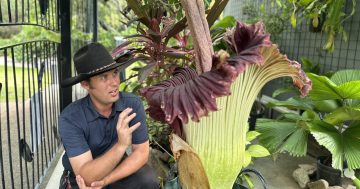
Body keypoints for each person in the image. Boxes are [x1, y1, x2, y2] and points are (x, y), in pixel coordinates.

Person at [59, 42, 159, 189]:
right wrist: (121, 145)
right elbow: (86, 176)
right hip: (80, 180)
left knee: (147, 180)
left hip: (117, 171)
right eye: (104, 77)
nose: (114, 83)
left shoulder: (132, 104)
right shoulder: (70, 118)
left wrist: (106, 180)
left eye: (114, 74)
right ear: (86, 85)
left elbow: (142, 153)